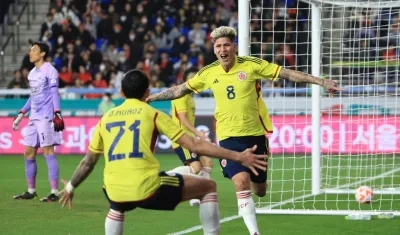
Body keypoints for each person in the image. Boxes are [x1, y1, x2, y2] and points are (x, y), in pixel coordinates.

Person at [146, 26, 343, 235]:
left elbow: (287, 74)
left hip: (255, 136)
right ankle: (254, 233)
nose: (223, 50)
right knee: (241, 182)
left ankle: (255, 193)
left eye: (226, 45)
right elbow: (179, 90)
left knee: (260, 190)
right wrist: (153, 98)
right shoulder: (208, 72)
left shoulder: (251, 65)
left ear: (234, 47)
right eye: (218, 46)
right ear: (214, 50)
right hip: (228, 138)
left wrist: (321, 82)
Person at [58, 69, 268, 235]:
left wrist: (70, 186)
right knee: (209, 186)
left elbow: (88, 162)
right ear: (148, 92)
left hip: (113, 189)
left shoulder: (105, 119)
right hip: (146, 188)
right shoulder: (153, 114)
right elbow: (194, 146)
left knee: (117, 206)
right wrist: (238, 157)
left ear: (121, 93)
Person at [12, 41, 65, 202]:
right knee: (28, 152)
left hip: (46, 118)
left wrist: (57, 112)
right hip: (33, 118)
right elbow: (33, 96)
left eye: (34, 50)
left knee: (48, 152)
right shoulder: (32, 74)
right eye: (30, 50)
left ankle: (54, 192)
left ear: (42, 53)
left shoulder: (50, 71)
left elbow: (55, 93)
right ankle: (31, 190)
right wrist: (22, 113)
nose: (30, 53)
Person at [168, 67, 214, 207]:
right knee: (196, 166)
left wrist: (198, 137)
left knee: (208, 163)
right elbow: (183, 120)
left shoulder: (189, 96)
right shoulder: (181, 95)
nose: (193, 80)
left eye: (195, 78)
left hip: (189, 138)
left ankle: (200, 193)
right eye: (191, 78)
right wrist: (198, 133)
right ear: (185, 80)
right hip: (182, 139)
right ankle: (164, 177)